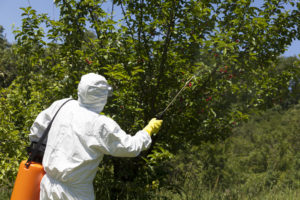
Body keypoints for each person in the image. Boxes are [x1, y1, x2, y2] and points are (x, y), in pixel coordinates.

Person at [29, 73, 163, 200]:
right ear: (102, 96)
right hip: (75, 193)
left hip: (47, 185)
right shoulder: (100, 124)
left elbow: (37, 129)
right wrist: (148, 131)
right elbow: (130, 147)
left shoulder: (64, 104)